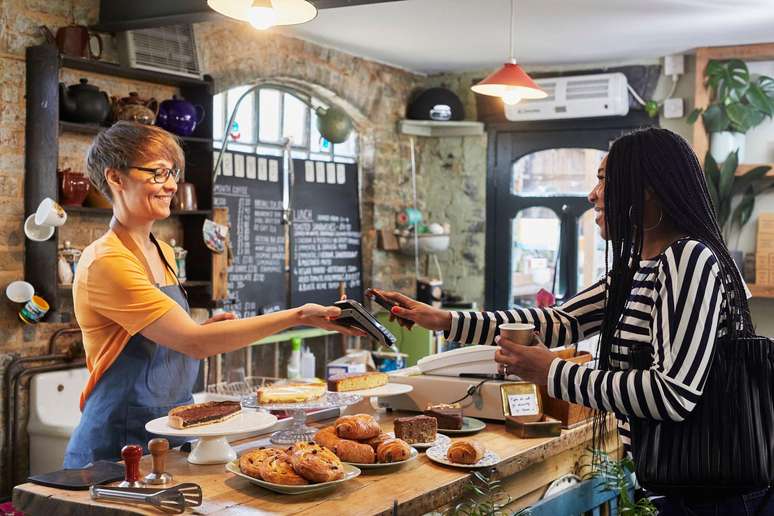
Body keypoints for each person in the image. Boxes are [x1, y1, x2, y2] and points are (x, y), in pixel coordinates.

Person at [372, 127, 773, 515]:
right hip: (678, 490)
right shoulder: (639, 269)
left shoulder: (689, 260)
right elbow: (559, 321)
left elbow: (672, 393)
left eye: (603, 181)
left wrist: (553, 372)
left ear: (648, 189)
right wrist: (443, 320)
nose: (592, 195)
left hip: (716, 499)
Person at [64, 122, 363, 468]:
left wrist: (207, 328)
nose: (172, 185)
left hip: (175, 428)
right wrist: (297, 316)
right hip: (117, 445)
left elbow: (177, 336)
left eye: (172, 173)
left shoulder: (161, 250)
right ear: (116, 178)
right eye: (158, 173)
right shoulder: (107, 261)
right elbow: (193, 343)